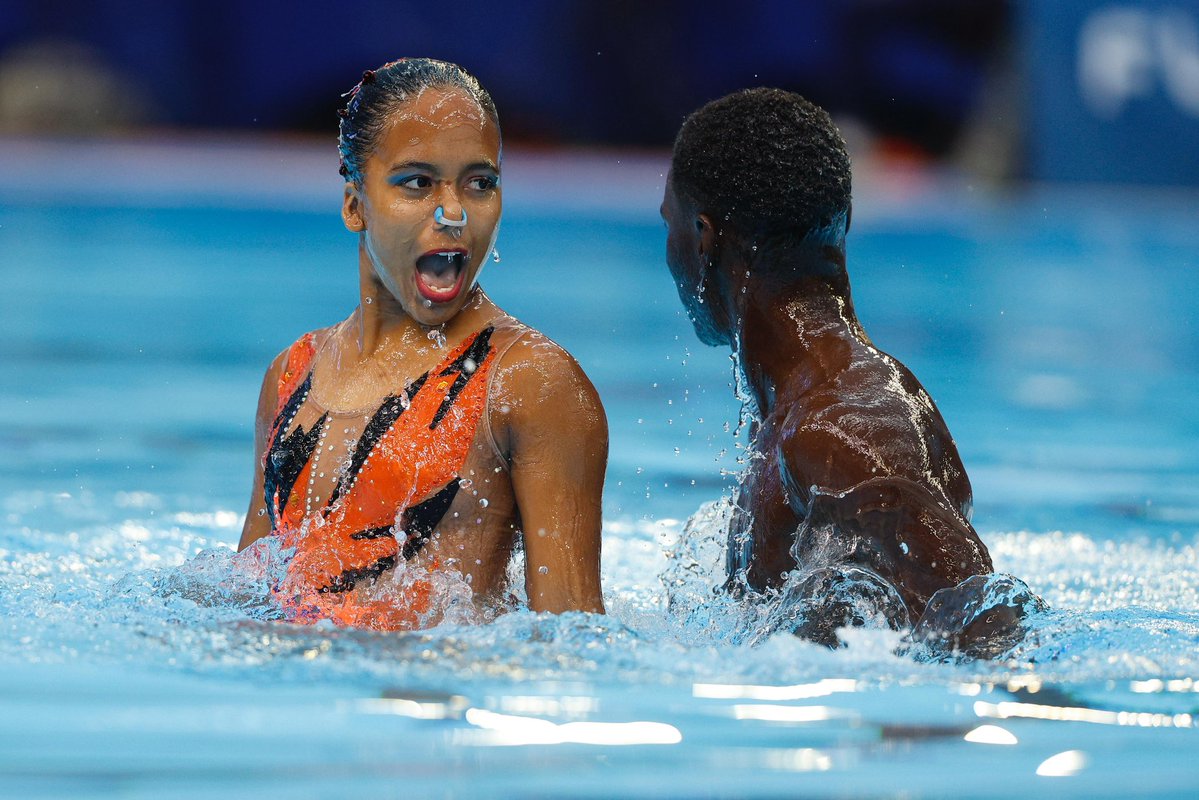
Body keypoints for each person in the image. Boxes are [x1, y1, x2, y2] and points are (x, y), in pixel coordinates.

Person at [661, 88, 1042, 656]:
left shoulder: (847, 428)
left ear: (703, 237)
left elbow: (990, 640)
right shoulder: (809, 409)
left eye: (669, 223)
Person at [237, 58, 607, 631]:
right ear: (354, 204)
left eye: (480, 183)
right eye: (417, 182)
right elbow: (246, 595)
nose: (454, 213)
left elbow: (575, 642)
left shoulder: (530, 382)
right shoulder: (293, 374)